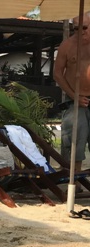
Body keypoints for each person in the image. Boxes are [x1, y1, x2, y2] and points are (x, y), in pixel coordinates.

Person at [54, 13, 90, 174]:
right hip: (75, 99)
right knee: (75, 142)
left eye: (84, 27)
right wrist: (74, 96)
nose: (80, 31)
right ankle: (75, 180)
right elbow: (57, 74)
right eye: (76, 28)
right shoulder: (67, 45)